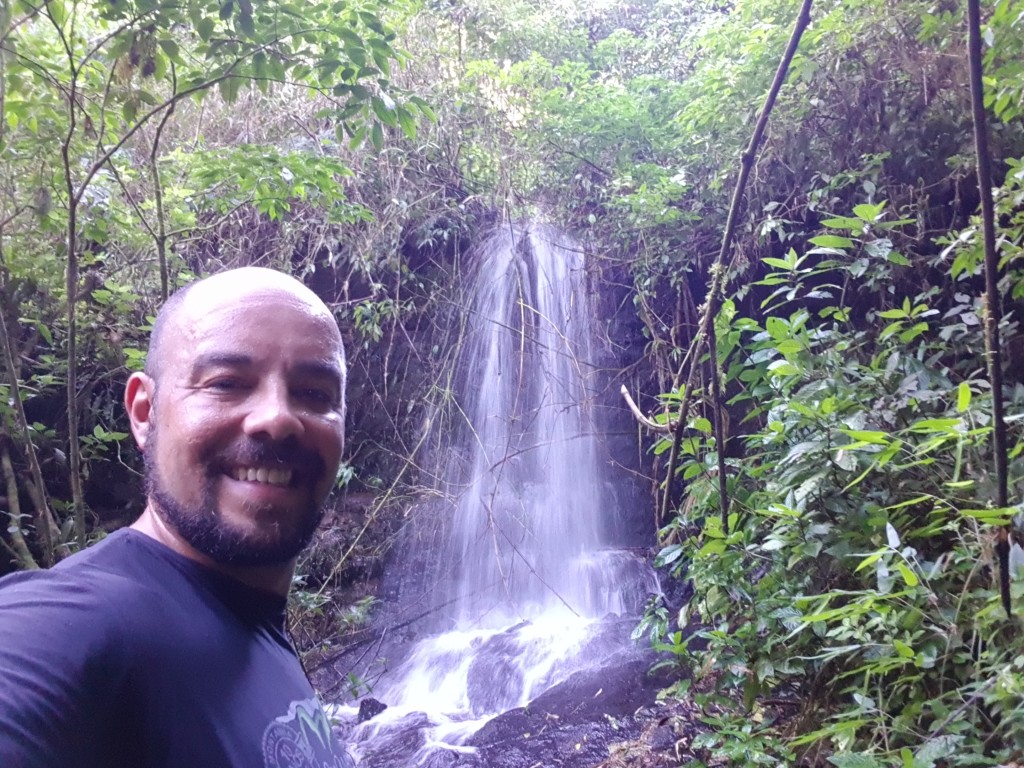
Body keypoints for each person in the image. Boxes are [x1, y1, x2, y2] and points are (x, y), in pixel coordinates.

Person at [0, 267, 356, 768]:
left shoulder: (254, 625)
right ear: (144, 413)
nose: (277, 417)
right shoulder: (77, 620)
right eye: (227, 383)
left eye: (315, 393)